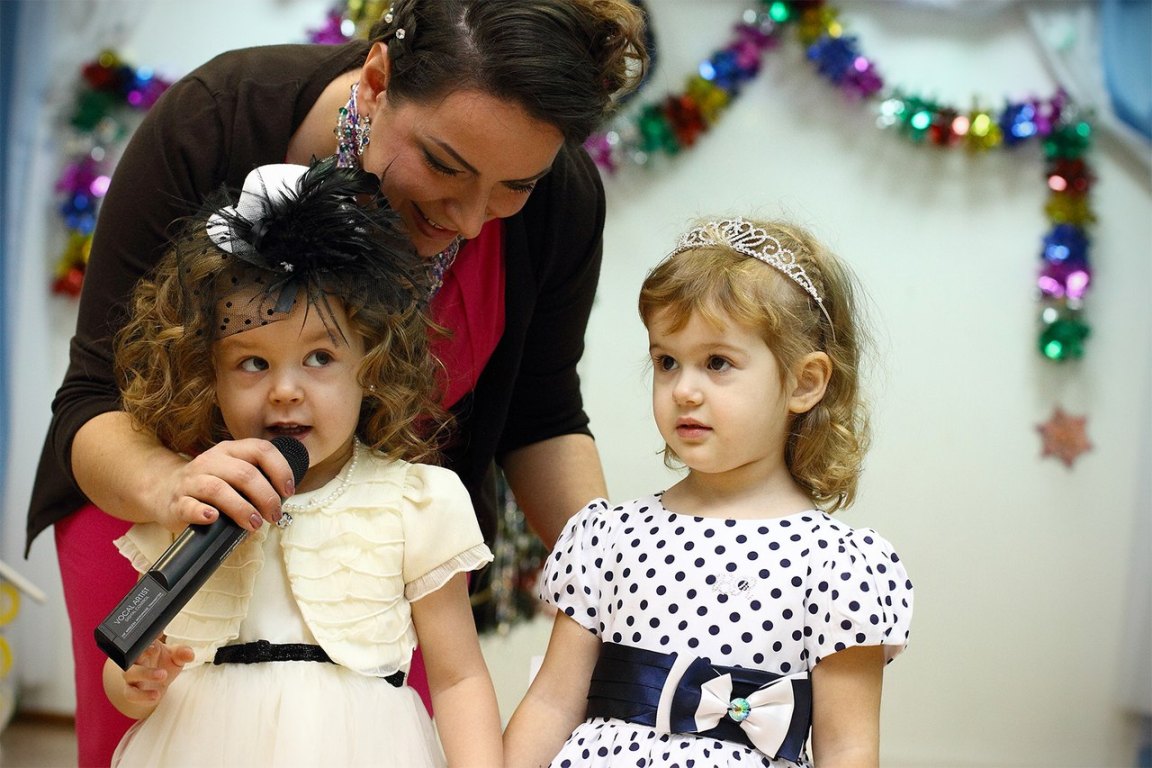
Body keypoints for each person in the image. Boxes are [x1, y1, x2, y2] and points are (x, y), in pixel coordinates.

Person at [24, 1, 648, 764]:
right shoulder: (217, 118)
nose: (471, 219)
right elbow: (93, 399)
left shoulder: (561, 203)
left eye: (513, 186)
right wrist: (171, 488)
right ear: (378, 80)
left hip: (375, 554)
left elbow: (541, 417)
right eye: (445, 165)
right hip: (158, 518)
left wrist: (620, 574)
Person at [101, 159, 501, 767]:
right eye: (253, 364)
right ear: (210, 375)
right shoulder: (194, 494)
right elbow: (129, 665)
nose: (285, 391)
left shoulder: (415, 501)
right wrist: (135, 678)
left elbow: (458, 678)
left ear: (370, 364)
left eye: (319, 358)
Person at [503, 217, 915, 767]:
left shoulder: (839, 567)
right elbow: (552, 703)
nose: (684, 390)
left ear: (804, 382)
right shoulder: (608, 537)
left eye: (717, 363)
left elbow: (848, 747)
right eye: (667, 362)